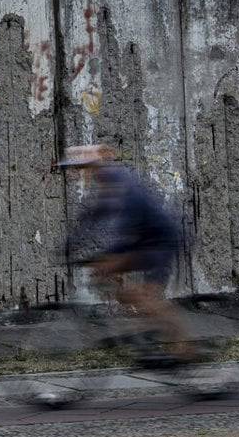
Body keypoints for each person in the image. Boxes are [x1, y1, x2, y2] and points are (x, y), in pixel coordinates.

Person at [58, 144, 195, 364]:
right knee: (115, 281)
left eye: (81, 168)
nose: (78, 173)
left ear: (90, 166)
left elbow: (125, 225)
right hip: (146, 239)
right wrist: (71, 243)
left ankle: (184, 348)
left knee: (147, 296)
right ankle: (143, 334)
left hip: (160, 240)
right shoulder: (107, 180)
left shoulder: (116, 180)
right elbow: (93, 215)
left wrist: (113, 255)